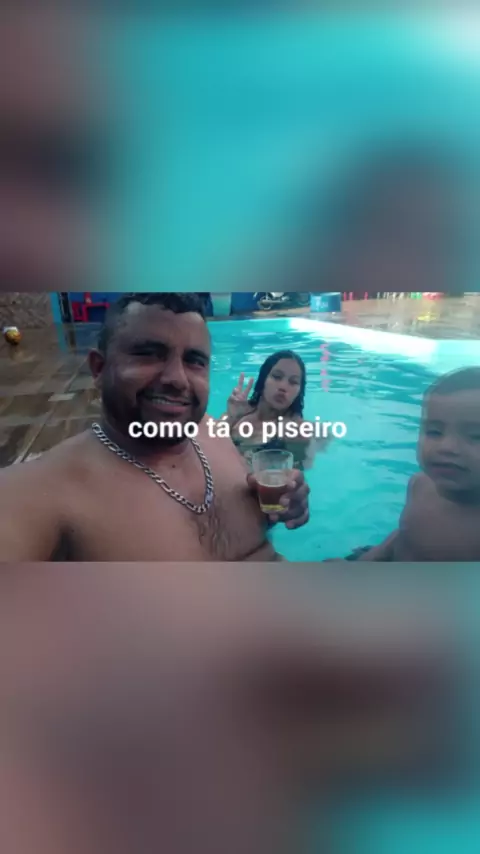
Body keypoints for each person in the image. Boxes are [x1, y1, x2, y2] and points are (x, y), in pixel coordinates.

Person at [0, 293, 309, 562]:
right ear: (99, 368)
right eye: (149, 354)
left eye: (194, 361)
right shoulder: (44, 490)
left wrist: (284, 505)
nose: (177, 379)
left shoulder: (215, 433)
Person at [345, 367, 480, 561]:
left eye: (476, 436)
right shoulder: (420, 484)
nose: (447, 447)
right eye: (434, 432)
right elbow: (405, 534)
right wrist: (365, 563)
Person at [222, 350, 329, 471]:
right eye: (277, 377)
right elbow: (208, 450)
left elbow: (298, 471)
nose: (283, 387)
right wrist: (231, 417)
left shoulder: (295, 431)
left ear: (299, 392)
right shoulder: (237, 415)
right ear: (263, 379)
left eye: (293, 382)